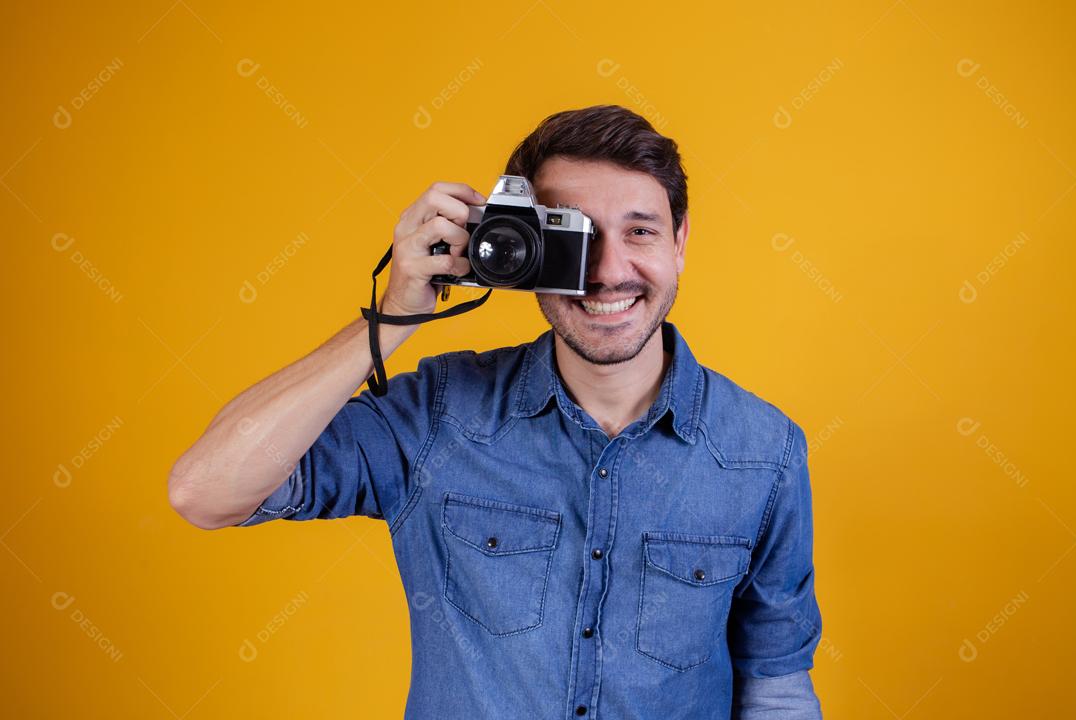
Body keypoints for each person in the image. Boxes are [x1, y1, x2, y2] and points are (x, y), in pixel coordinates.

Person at [168, 104, 824, 719]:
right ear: (522, 247)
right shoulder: (434, 417)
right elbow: (205, 490)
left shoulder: (764, 451)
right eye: (575, 237)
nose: (607, 272)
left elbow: (776, 685)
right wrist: (396, 315)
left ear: (680, 240)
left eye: (640, 231)